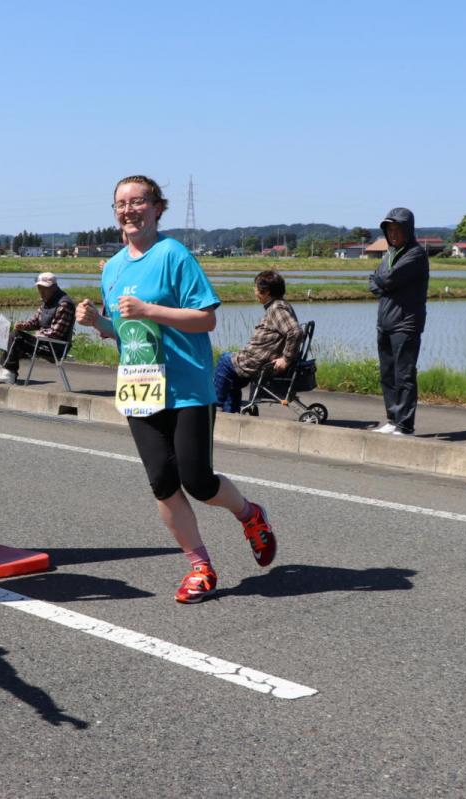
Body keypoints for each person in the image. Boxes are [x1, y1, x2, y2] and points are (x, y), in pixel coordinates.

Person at [75, 174, 277, 604]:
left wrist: (151, 309)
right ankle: (199, 566)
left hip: (186, 386)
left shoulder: (174, 255)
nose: (129, 210)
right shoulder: (112, 268)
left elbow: (205, 319)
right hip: (139, 388)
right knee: (162, 482)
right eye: (121, 204)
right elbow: (125, 330)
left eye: (138, 202)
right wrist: (98, 323)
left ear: (157, 208)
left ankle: (249, 514)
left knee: (198, 481)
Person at [367, 207, 429, 435]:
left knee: (404, 374)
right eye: (389, 229)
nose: (393, 233)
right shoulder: (389, 254)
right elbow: (373, 282)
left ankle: (405, 425)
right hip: (385, 321)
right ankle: (392, 419)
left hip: (406, 322)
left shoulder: (415, 254)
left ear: (408, 229)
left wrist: (380, 281)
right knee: (387, 373)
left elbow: (387, 279)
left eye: (397, 229)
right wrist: (380, 281)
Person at [214, 270, 304, 412]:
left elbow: (295, 331)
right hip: (259, 360)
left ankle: (214, 405)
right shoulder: (280, 305)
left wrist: (286, 359)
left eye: (256, 288)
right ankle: (230, 412)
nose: (254, 291)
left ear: (266, 291)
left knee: (224, 361)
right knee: (233, 380)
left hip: (258, 362)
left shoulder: (277, 308)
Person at [0, 272, 75, 384]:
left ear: (54, 287)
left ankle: (8, 373)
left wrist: (37, 334)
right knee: (15, 334)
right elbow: (36, 321)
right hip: (44, 342)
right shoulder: (47, 301)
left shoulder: (64, 304)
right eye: (39, 288)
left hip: (55, 347)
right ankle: (7, 372)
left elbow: (56, 333)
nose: (41, 292)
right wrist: (24, 325)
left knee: (16, 337)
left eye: (44, 288)